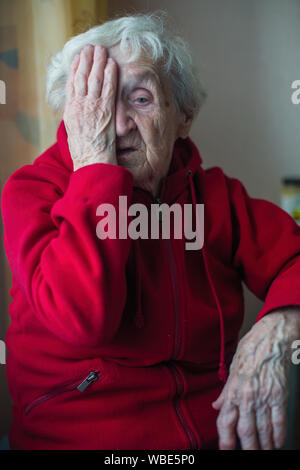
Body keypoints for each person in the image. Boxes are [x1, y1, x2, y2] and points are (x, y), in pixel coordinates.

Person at [2, 12, 300, 451]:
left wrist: (280, 324)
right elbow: (84, 321)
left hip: (215, 433)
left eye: (139, 99)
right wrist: (95, 172)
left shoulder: (215, 195)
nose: (118, 124)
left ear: (183, 117)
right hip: (78, 437)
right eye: (98, 101)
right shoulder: (32, 192)